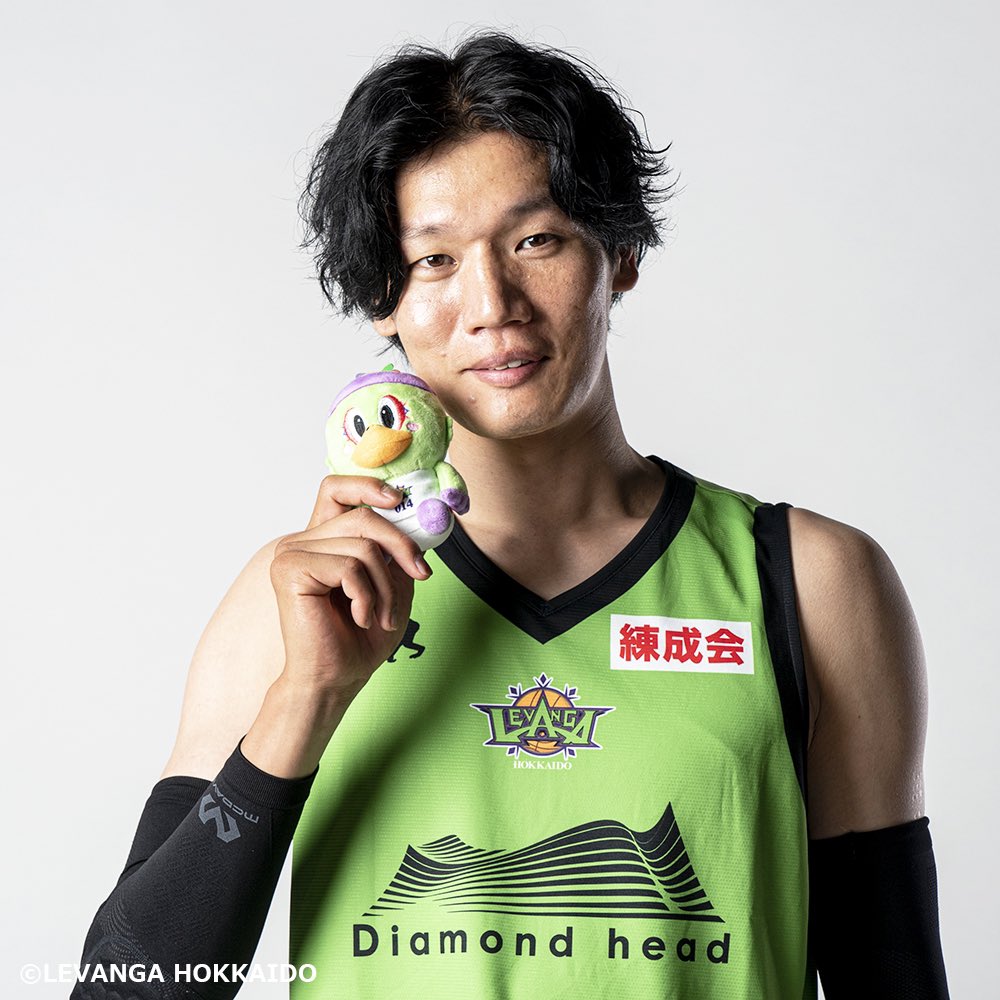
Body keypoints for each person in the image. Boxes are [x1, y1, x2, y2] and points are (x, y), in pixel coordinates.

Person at [72, 31, 949, 1000]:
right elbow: (125, 989)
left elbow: (894, 975)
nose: (491, 303)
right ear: (381, 299)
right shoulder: (293, 600)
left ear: (619, 253)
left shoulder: (804, 580)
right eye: (434, 259)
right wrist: (305, 696)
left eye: (536, 240)